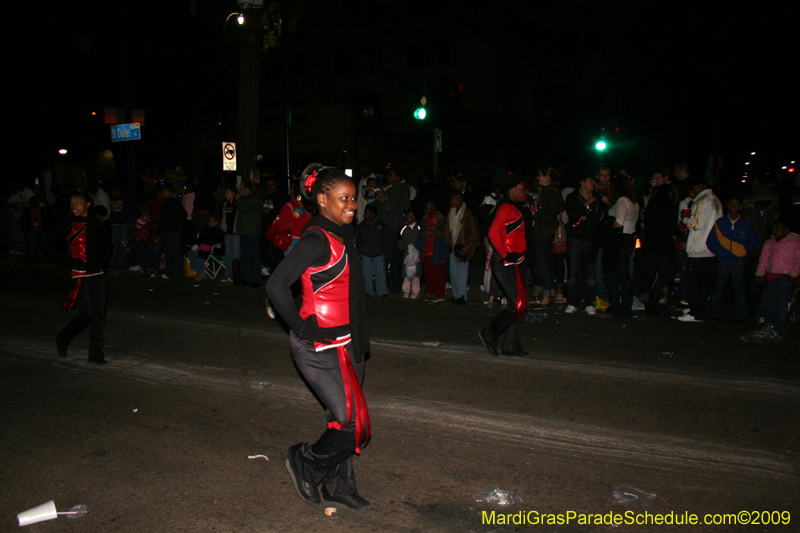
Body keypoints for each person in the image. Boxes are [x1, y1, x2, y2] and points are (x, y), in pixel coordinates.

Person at [266, 163, 371, 511]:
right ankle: (306, 461)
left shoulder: (344, 234)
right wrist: (301, 326)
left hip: (348, 343)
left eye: (354, 199)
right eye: (343, 199)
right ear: (322, 199)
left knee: (344, 418)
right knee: (349, 421)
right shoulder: (315, 238)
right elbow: (276, 285)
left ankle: (339, 486)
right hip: (318, 346)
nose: (352, 205)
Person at [44, 190, 112, 364]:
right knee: (85, 315)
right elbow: (48, 247)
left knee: (98, 315)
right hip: (81, 276)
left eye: (78, 202)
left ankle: (96, 352)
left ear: (88, 204)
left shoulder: (97, 224)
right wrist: (69, 262)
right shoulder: (68, 225)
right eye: (72, 203)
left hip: (97, 275)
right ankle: (64, 336)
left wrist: (103, 265)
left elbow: (107, 245)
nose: (74, 206)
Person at [479, 173, 530, 357]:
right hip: (506, 262)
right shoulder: (507, 207)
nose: (526, 192)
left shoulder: (515, 208)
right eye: (522, 188)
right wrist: (505, 255)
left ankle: (510, 346)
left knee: (520, 303)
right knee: (517, 303)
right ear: (512, 190)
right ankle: (490, 333)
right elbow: (493, 233)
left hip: (516, 261)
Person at [705, 196, 757, 323]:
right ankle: (714, 313)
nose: (733, 206)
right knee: (717, 288)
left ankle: (740, 315)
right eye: (731, 203)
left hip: (738, 262)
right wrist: (720, 252)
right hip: (722, 260)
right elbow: (711, 241)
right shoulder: (720, 223)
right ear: (727, 206)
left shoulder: (745, 224)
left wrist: (743, 252)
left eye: (736, 203)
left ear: (740, 206)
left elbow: (752, 241)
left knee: (739, 289)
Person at [678, 181, 722, 322]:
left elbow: (697, 224)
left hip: (699, 248)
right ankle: (698, 309)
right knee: (704, 283)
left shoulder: (702, 200)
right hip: (710, 247)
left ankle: (696, 313)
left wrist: (684, 218)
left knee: (695, 283)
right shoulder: (716, 200)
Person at [749, 220, 800, 340]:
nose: (775, 232)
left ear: (786, 231)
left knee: (781, 301)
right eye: (774, 229)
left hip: (784, 275)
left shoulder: (793, 242)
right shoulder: (769, 243)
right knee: (771, 300)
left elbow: (798, 259)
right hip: (771, 274)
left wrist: (794, 273)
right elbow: (764, 259)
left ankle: (781, 324)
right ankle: (770, 322)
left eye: (778, 229)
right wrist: (761, 273)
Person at [563, 172, 604, 315]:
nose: (593, 183)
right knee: (573, 274)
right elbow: (573, 216)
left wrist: (585, 216)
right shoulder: (572, 197)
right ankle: (572, 302)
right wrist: (586, 205)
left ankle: (589, 302)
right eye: (590, 181)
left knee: (590, 276)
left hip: (592, 239)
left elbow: (598, 217)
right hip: (576, 239)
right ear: (582, 182)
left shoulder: (597, 198)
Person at [603, 175, 640, 317]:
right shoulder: (633, 201)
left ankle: (617, 306)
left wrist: (607, 226)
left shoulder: (622, 201)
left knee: (614, 274)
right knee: (624, 275)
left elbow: (619, 223)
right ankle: (626, 306)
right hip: (628, 238)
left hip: (619, 240)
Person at [642, 169, 678, 314]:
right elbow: (672, 227)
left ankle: (650, 299)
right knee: (663, 275)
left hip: (651, 244)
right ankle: (653, 300)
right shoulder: (667, 207)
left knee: (650, 274)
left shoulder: (652, 206)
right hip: (663, 245)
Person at [530, 166, 564, 309]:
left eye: (540, 175)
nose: (538, 178)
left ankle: (547, 296)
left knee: (544, 264)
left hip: (544, 232)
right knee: (541, 263)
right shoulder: (552, 191)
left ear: (547, 176)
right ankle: (542, 293)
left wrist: (534, 214)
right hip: (544, 231)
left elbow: (551, 216)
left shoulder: (550, 192)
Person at [377, 169, 410, 292]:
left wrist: (383, 200)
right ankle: (386, 283)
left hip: (394, 228)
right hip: (386, 228)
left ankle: (396, 283)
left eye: (392, 175)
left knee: (394, 258)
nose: (388, 177)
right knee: (386, 257)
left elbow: (389, 207)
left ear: (398, 177)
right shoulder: (391, 188)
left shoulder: (401, 189)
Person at [446, 191, 479, 305]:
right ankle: (456, 295)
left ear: (458, 200)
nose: (450, 202)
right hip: (453, 244)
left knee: (462, 273)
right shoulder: (451, 212)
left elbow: (475, 234)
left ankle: (462, 296)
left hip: (462, 245)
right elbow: (446, 229)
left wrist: (468, 246)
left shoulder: (467, 214)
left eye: (452, 199)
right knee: (453, 272)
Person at [355, 204, 391, 298]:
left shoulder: (381, 226)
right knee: (367, 275)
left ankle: (382, 291)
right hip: (365, 255)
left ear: (373, 214)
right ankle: (368, 291)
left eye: (367, 213)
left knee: (380, 275)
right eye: (365, 213)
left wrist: (387, 252)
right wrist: (359, 252)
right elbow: (358, 241)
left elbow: (387, 239)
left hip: (378, 254)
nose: (364, 215)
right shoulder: (361, 227)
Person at [420, 199, 448, 302]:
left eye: (427, 208)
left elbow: (444, 237)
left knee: (438, 275)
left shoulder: (441, 220)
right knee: (429, 274)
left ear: (433, 208)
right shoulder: (424, 220)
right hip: (427, 250)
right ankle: (430, 292)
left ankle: (439, 294)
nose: (425, 210)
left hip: (437, 251)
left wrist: (443, 252)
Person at [400, 208, 423, 299]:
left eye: (413, 216)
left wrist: (418, 250)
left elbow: (422, 240)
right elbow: (399, 240)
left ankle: (415, 291)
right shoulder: (403, 228)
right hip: (407, 254)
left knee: (416, 273)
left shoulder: (419, 227)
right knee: (407, 273)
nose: (411, 218)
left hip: (416, 254)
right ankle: (406, 290)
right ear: (406, 217)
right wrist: (404, 248)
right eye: (409, 216)